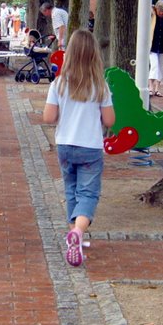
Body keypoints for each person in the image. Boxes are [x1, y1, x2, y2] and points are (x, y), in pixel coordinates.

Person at [42, 29, 115, 267]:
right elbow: (110, 120)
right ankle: (78, 233)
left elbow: (48, 117)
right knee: (89, 193)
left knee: (71, 189)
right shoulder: (100, 86)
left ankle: (74, 233)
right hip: (90, 147)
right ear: (94, 54)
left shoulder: (59, 84)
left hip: (65, 144)